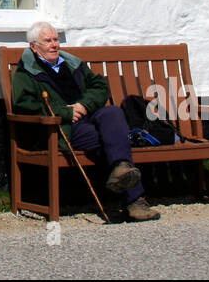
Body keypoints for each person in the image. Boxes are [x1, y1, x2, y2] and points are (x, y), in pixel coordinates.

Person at [10, 21, 160, 222]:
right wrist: (64, 113)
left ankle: (121, 168)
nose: (54, 45)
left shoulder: (71, 63)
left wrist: (83, 105)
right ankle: (135, 201)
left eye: (55, 40)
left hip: (87, 115)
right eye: (47, 41)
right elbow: (24, 104)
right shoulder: (26, 72)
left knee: (113, 112)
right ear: (33, 46)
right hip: (63, 128)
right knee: (113, 141)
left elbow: (99, 86)